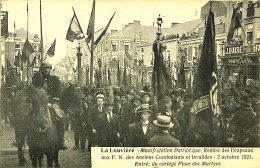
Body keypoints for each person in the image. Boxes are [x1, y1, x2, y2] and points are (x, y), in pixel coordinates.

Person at [31, 62, 68, 150]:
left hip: (52, 103)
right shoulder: (36, 79)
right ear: (41, 69)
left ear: (50, 69)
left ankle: (61, 139)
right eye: (44, 68)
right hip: (39, 103)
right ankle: (22, 138)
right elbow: (33, 91)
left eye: (48, 68)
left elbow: (58, 93)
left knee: (60, 116)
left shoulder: (55, 80)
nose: (46, 70)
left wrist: (52, 102)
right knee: (26, 115)